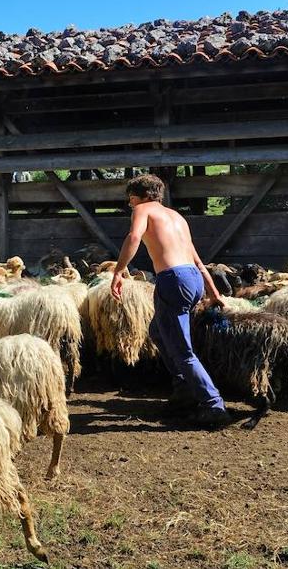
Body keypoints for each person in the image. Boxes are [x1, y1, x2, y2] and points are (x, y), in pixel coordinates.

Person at [110, 173, 230, 428]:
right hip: (192, 278)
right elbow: (197, 260)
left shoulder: (142, 210)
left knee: (182, 350)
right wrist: (213, 292)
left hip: (173, 279)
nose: (131, 206)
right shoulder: (176, 217)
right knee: (158, 331)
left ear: (134, 198)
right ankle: (184, 388)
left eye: (130, 202)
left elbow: (133, 238)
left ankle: (213, 406)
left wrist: (119, 271)